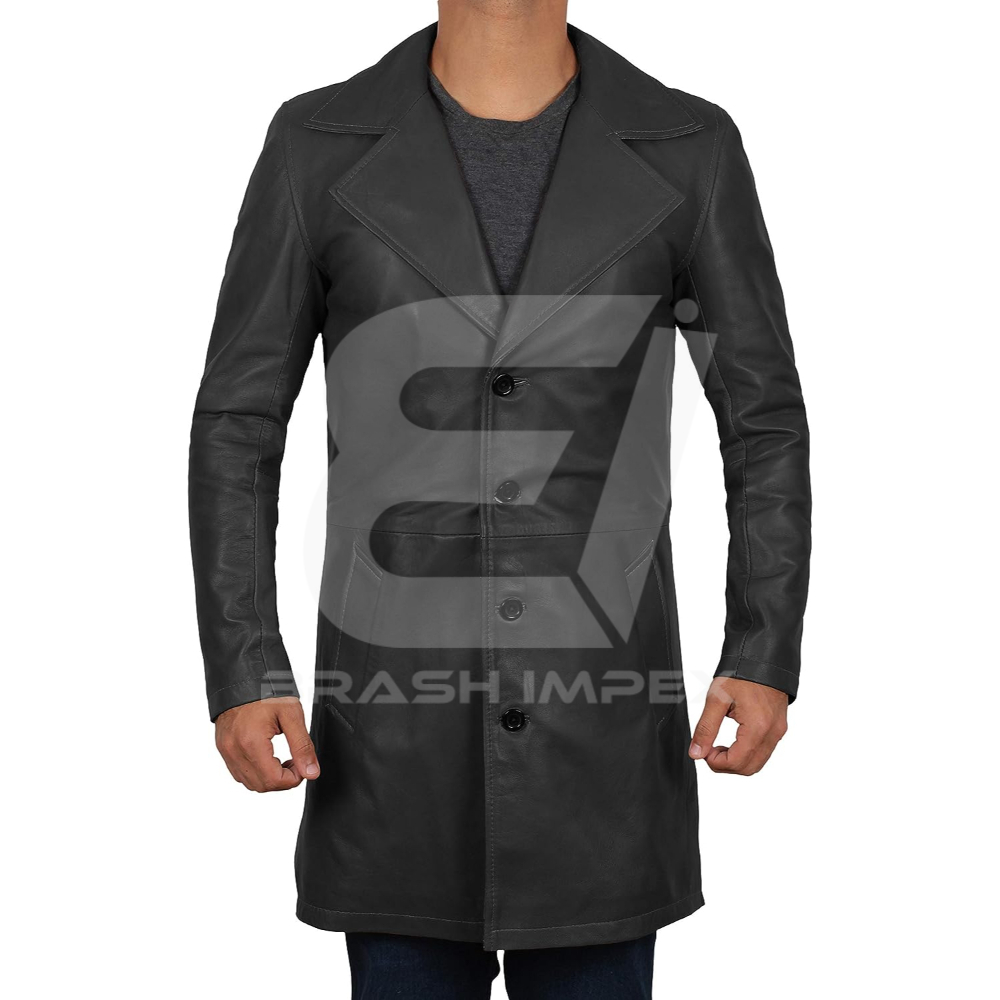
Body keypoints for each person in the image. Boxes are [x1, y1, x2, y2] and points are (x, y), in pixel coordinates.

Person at [189, 1, 811, 996]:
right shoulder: (316, 145)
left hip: (601, 740)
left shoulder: (689, 147)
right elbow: (239, 421)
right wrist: (243, 665)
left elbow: (762, 417)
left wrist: (762, 649)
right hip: (393, 743)